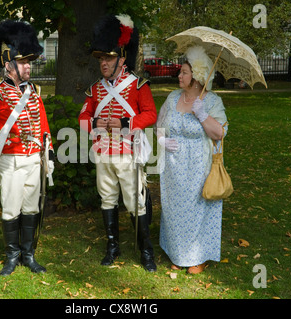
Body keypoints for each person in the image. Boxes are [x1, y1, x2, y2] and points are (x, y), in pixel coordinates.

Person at [0, 20, 54, 276]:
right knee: (11, 208)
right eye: (23, 62)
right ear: (9, 66)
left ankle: (28, 255)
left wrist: (48, 153)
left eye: (29, 62)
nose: (29, 66)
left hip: (34, 160)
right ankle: (12, 256)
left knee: (31, 208)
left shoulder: (34, 91)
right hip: (9, 160)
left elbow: (44, 125)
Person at [78, 14, 158, 272]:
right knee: (107, 199)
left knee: (134, 200)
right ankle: (112, 246)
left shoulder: (137, 84)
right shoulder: (94, 90)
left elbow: (150, 114)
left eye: (109, 58)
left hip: (127, 153)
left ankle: (146, 250)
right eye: (101, 59)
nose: (103, 63)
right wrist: (94, 124)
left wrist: (125, 123)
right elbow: (82, 118)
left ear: (121, 59)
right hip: (103, 153)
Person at [155, 46, 228, 274]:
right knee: (174, 209)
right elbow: (158, 125)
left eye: (184, 72)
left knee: (198, 209)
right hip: (173, 168)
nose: (179, 76)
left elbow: (220, 133)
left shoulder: (212, 101)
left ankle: (198, 256)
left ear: (196, 76)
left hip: (199, 167)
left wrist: (202, 114)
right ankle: (178, 252)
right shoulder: (173, 96)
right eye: (180, 72)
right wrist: (161, 141)